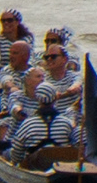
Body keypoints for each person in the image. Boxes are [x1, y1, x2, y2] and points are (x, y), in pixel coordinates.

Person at [7, 30, 88, 158]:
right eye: (47, 57)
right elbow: (15, 104)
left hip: (65, 123)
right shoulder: (43, 82)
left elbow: (76, 86)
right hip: (62, 126)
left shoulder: (73, 77)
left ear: (64, 59)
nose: (49, 59)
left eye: (53, 57)